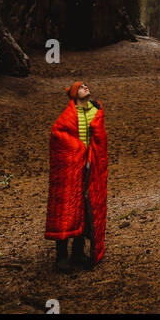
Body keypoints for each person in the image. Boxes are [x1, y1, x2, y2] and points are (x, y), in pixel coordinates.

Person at [45, 80, 108, 271]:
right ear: (74, 94)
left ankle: (78, 253)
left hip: (91, 166)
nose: (86, 88)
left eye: (86, 86)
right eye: (81, 87)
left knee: (86, 205)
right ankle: (62, 257)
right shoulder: (68, 115)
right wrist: (77, 149)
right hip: (71, 168)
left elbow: (101, 138)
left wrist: (93, 155)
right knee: (66, 207)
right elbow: (58, 134)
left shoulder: (96, 112)